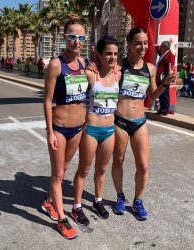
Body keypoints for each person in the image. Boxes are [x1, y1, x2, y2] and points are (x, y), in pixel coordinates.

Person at [111, 28, 175, 220]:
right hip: (119, 120)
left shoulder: (150, 68)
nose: (143, 47)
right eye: (138, 43)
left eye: (145, 43)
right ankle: (120, 197)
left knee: (144, 166)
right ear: (129, 43)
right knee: (118, 161)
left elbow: (152, 96)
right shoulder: (119, 66)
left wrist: (165, 83)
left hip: (139, 121)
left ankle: (138, 201)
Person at [43, 14, 88, 239]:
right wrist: (50, 131)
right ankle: (61, 219)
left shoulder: (84, 64)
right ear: (64, 37)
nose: (76, 41)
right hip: (59, 128)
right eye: (72, 36)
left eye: (81, 37)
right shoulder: (55, 65)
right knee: (58, 175)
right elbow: (47, 100)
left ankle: (49, 202)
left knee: (65, 169)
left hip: (78, 128)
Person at [72, 35, 121, 226]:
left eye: (116, 54)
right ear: (99, 55)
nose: (113, 58)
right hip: (91, 129)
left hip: (109, 130)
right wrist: (89, 64)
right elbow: (74, 70)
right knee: (84, 169)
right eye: (108, 54)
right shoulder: (91, 75)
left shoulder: (119, 74)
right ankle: (76, 206)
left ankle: (98, 201)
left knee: (101, 169)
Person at [154, 40, 175, 115]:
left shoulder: (170, 55)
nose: (160, 48)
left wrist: (167, 78)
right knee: (161, 93)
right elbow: (160, 52)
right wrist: (156, 47)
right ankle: (162, 108)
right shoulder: (164, 53)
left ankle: (164, 110)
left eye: (162, 46)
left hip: (165, 77)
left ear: (165, 47)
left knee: (165, 94)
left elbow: (170, 67)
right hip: (161, 77)